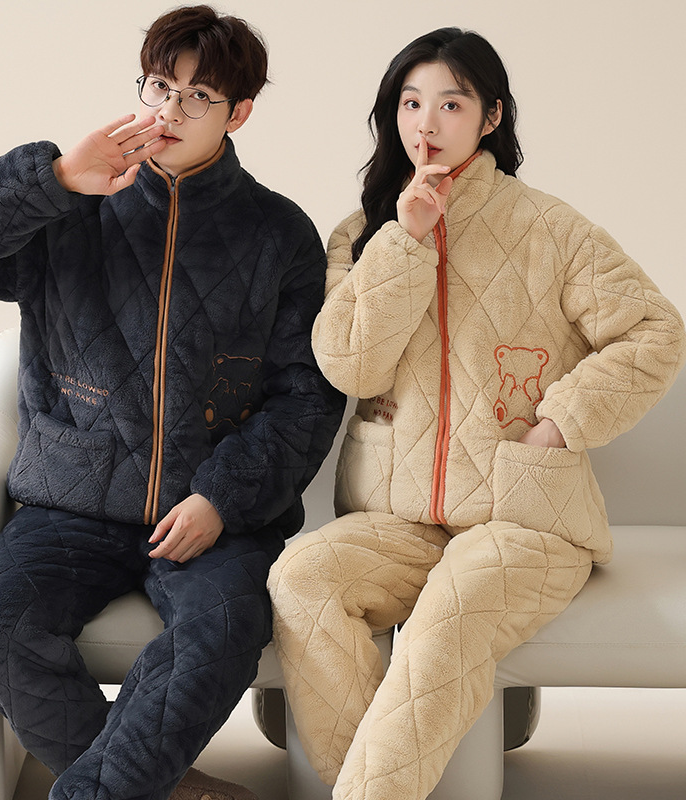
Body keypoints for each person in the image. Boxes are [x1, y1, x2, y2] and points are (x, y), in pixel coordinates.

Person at [0, 6, 345, 800]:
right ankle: (170, 789)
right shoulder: (70, 207)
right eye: (158, 86)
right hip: (68, 505)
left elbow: (305, 395)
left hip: (207, 515)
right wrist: (52, 179)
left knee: (222, 634)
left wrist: (221, 497)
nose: (168, 110)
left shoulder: (279, 235)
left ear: (239, 113)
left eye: (197, 96)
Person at [267, 26, 686, 800]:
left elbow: (657, 333)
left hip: (523, 520)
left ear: (491, 116)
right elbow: (350, 366)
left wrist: (560, 421)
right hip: (398, 519)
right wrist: (406, 240)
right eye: (410, 102)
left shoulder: (551, 229)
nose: (426, 123)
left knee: (451, 611)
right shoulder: (365, 234)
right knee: (302, 578)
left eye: (451, 104)